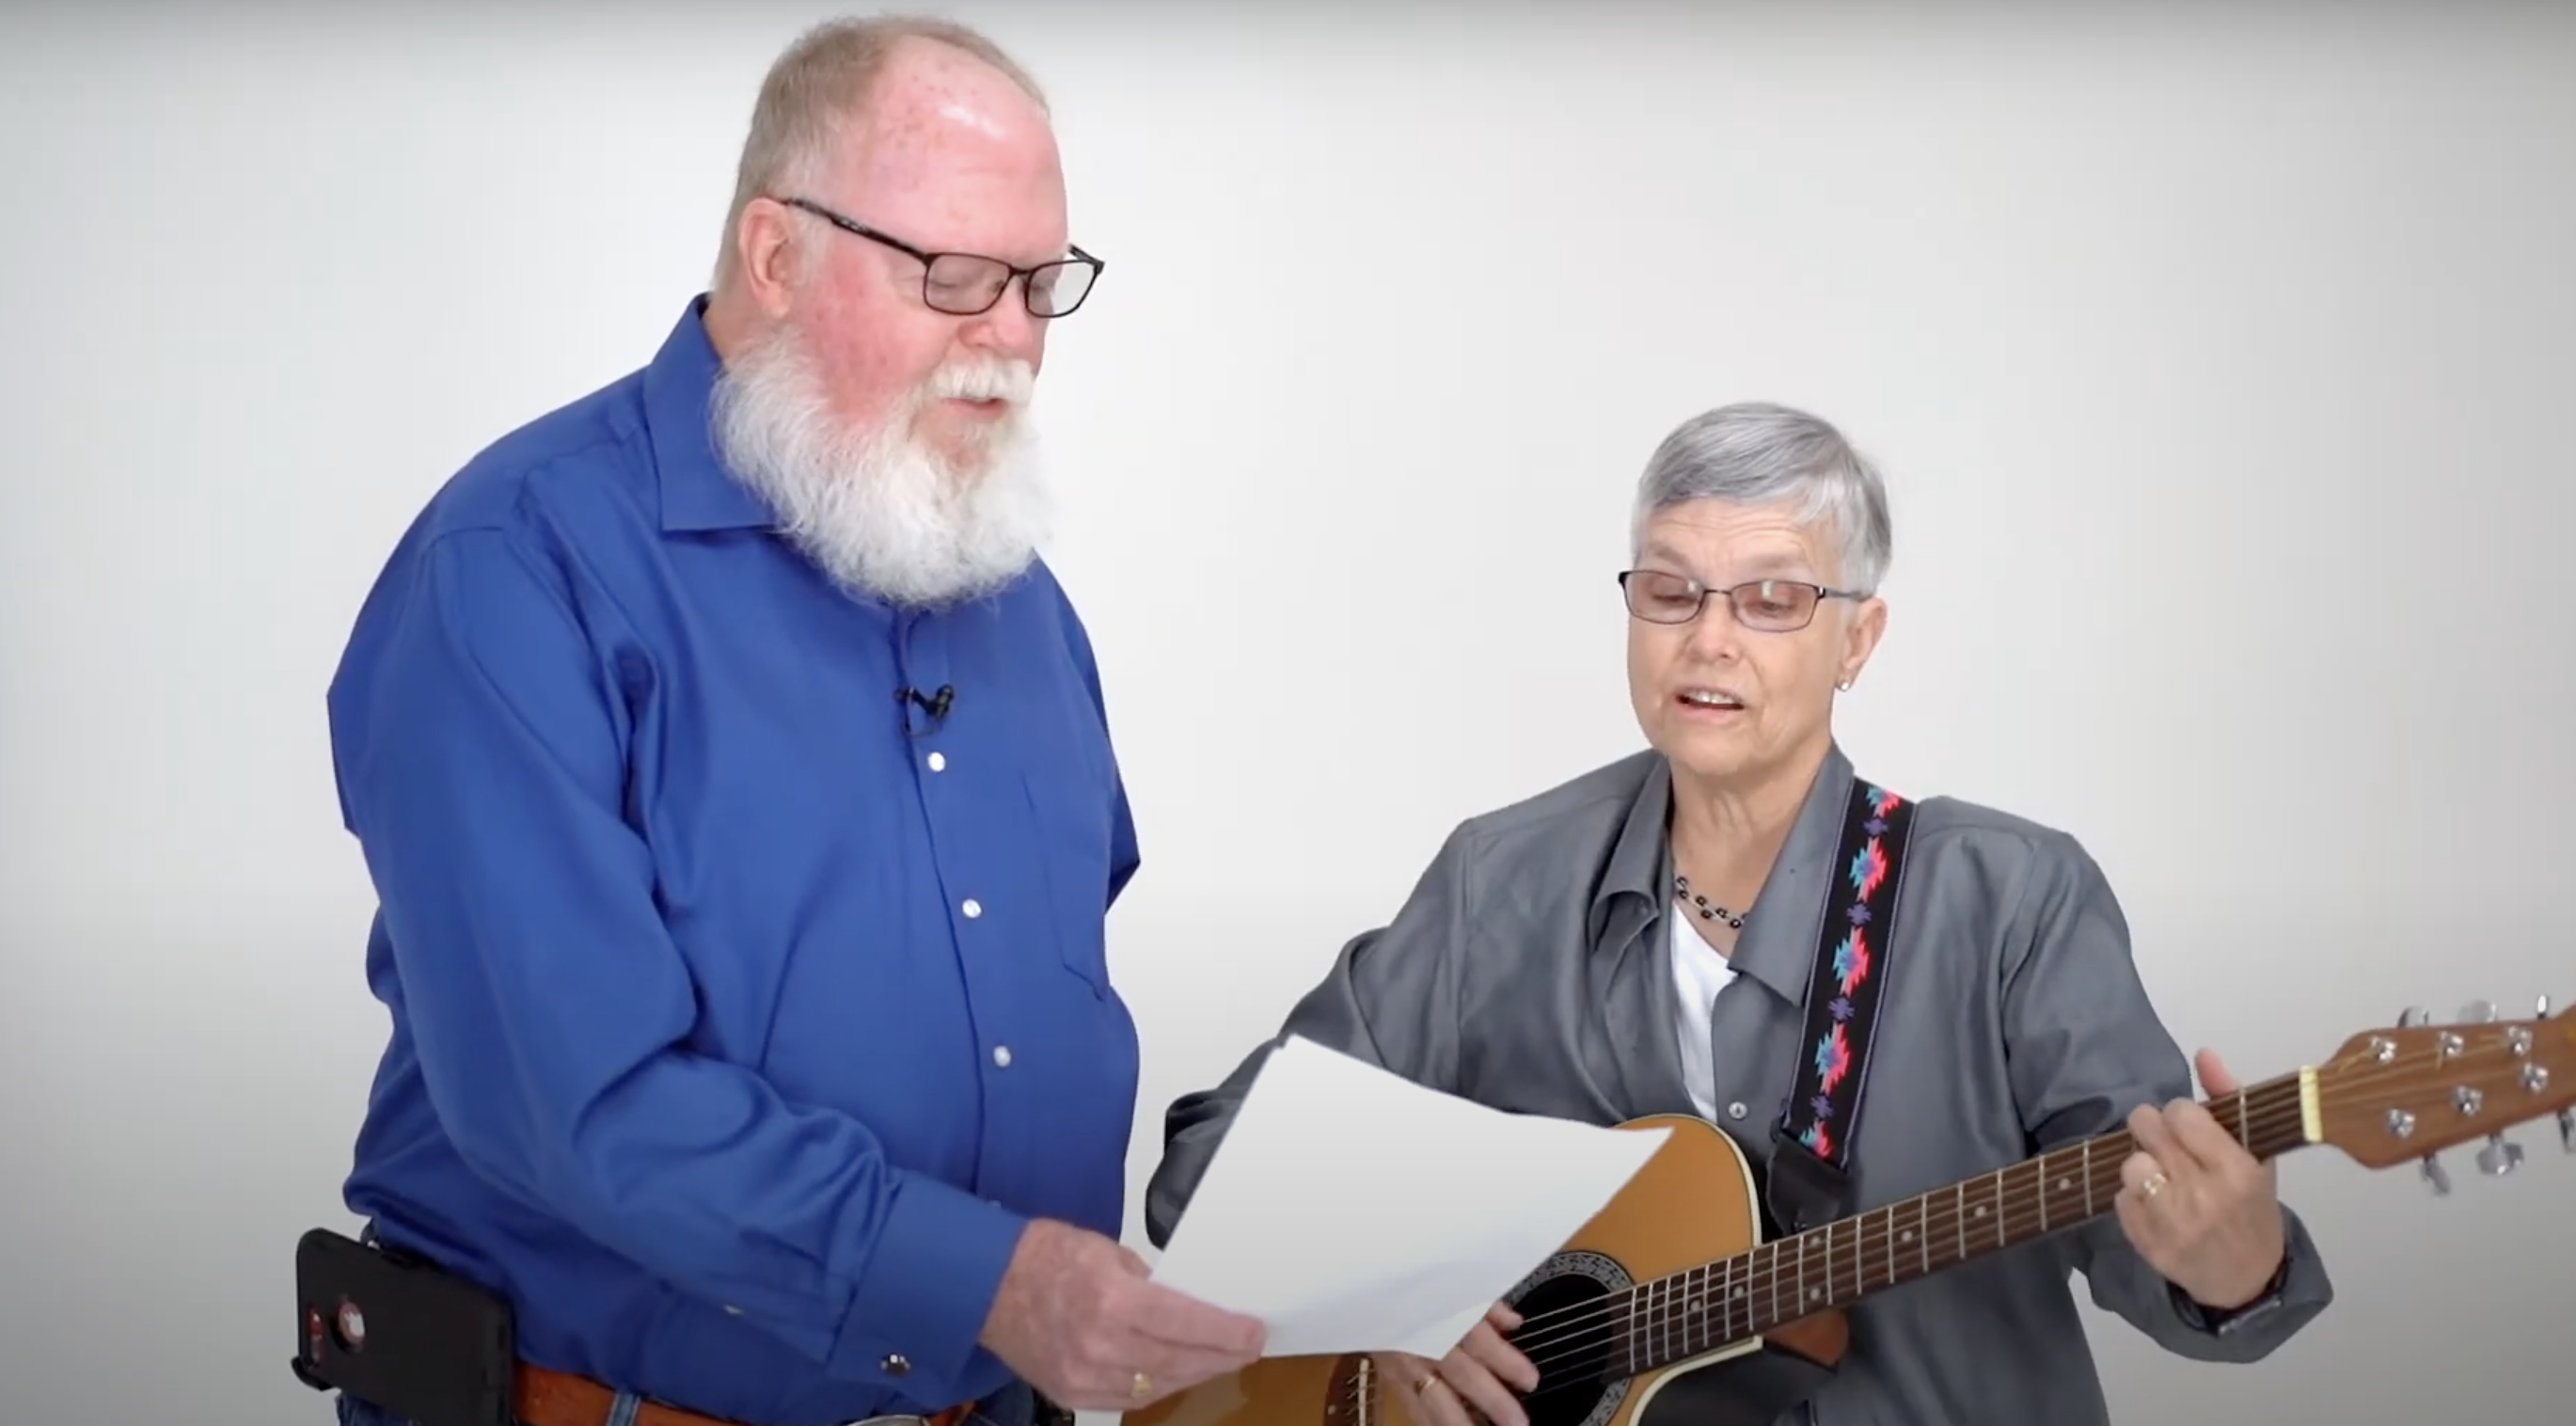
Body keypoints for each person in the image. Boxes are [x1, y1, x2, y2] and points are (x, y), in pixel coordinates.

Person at [320, 16, 1262, 1426]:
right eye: (950, 275)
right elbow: (577, 1104)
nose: (1008, 341)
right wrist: (987, 1283)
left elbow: (1042, 994)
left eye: (1037, 282)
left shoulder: (1015, 597)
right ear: (775, 255)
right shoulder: (515, 570)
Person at [1143, 401, 2333, 1426]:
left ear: (1855, 638)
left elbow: (2161, 1248)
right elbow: (1213, 1157)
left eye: (1769, 599)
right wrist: (1391, 1294)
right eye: (1669, 590)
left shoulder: (2010, 900)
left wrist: (2233, 1264)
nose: (1706, 638)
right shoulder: (1495, 883)